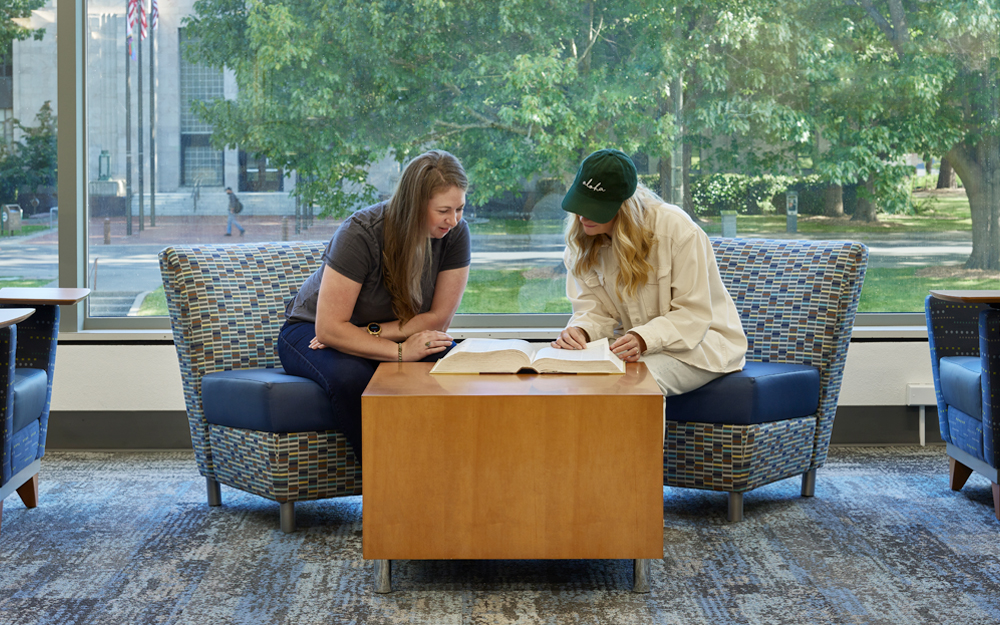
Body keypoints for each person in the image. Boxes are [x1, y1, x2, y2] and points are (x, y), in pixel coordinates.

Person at [278, 150, 471, 464]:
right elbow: (328, 328)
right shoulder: (360, 233)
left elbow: (438, 320)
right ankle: (387, 483)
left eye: (460, 208)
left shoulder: (455, 234)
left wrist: (375, 334)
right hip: (309, 330)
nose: (454, 220)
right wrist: (399, 352)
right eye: (443, 210)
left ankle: (444, 473)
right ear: (414, 205)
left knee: (449, 362)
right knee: (351, 377)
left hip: (376, 329)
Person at [552, 148, 747, 398]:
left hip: (702, 346)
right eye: (580, 203)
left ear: (623, 207)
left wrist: (644, 339)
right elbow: (594, 312)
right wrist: (580, 331)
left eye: (595, 207)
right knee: (576, 381)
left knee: (632, 384)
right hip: (637, 347)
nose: (582, 215)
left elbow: (693, 314)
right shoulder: (582, 242)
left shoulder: (676, 230)